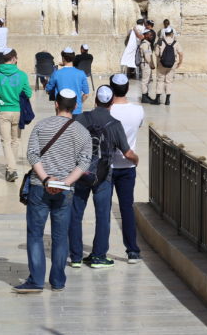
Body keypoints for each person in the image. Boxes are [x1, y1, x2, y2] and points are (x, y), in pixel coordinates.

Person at [15, 89, 92, 293]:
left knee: (35, 234)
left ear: (56, 104)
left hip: (40, 187)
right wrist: (65, 182)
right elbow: (84, 163)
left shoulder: (41, 126)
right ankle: (57, 280)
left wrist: (47, 178)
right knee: (60, 236)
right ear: (75, 106)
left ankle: (36, 280)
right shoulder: (82, 132)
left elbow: (32, 155)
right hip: (65, 191)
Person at [69, 85, 138, 269]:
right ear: (112, 101)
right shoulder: (115, 124)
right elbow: (127, 153)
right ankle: (99, 256)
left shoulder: (81, 118)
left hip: (81, 173)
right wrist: (136, 160)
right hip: (103, 175)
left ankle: (75, 256)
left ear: (96, 100)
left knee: (76, 214)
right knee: (102, 215)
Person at [108, 73, 143, 264]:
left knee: (103, 209)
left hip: (108, 166)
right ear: (127, 88)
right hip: (127, 166)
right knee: (126, 208)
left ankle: (99, 250)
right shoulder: (138, 111)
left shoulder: (107, 110)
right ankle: (132, 250)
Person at [0, 48, 33, 182]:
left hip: (3, 111)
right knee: (15, 140)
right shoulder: (22, 75)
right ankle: (11, 169)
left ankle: (11, 169)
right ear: (14, 58)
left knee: (6, 141)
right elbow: (29, 93)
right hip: (18, 111)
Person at [45, 47, 90, 114]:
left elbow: (48, 89)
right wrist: (79, 103)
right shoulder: (81, 74)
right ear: (73, 58)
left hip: (61, 111)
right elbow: (86, 94)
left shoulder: (56, 73)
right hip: (76, 111)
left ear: (63, 58)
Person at [154, 27, 182, 106]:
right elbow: (181, 53)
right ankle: (167, 100)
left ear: (165, 34)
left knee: (160, 80)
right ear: (172, 34)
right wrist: (180, 62)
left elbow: (156, 53)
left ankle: (158, 98)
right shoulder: (176, 42)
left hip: (161, 64)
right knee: (169, 81)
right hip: (172, 65)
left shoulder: (160, 42)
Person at [137, 29, 157, 104]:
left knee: (147, 80)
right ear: (145, 35)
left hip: (147, 64)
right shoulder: (145, 44)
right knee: (145, 81)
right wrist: (151, 64)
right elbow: (147, 56)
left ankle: (146, 95)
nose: (151, 36)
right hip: (146, 64)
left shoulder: (147, 43)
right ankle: (144, 97)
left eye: (151, 35)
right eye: (149, 34)